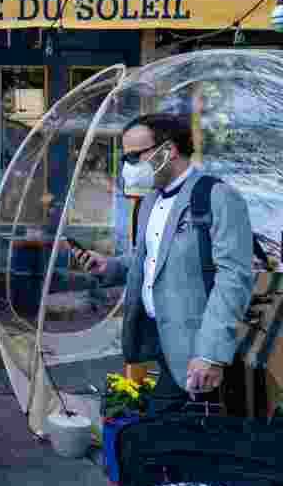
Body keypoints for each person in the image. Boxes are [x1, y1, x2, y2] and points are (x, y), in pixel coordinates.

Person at [73, 113, 254, 415]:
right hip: (156, 334)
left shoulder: (216, 196)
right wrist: (110, 266)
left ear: (167, 151)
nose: (128, 166)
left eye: (134, 156)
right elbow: (151, 259)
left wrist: (210, 353)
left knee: (174, 431)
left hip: (197, 343)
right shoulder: (148, 203)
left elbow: (233, 277)